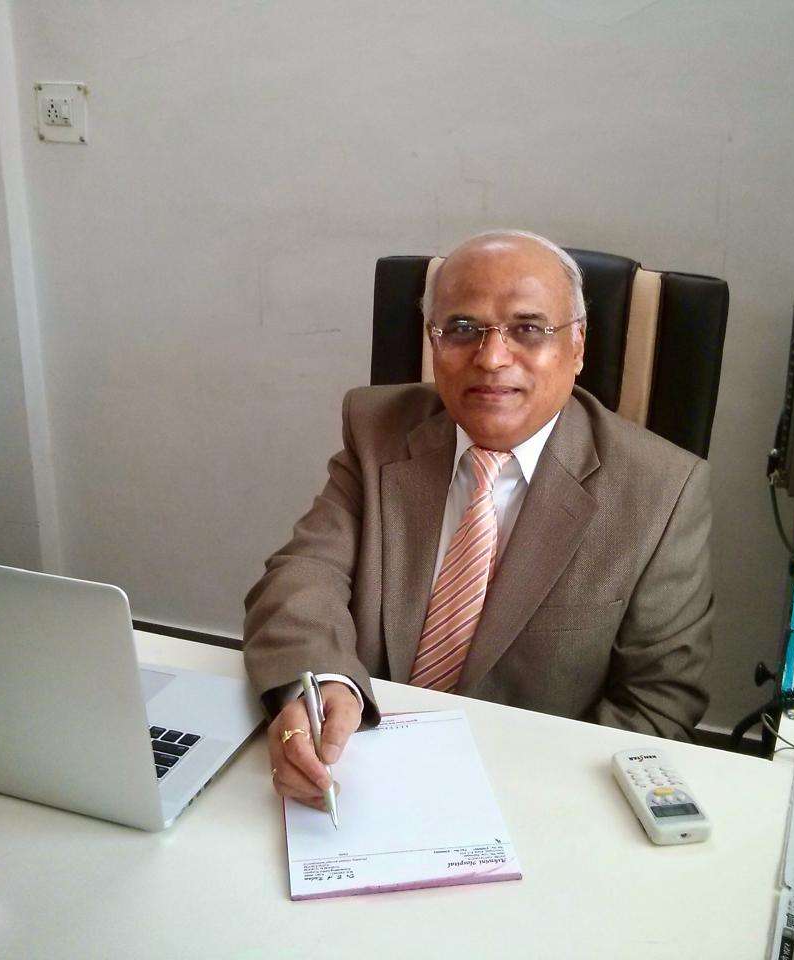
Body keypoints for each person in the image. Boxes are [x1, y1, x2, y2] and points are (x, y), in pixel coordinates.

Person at [244, 230, 712, 811]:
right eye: (462, 329)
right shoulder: (378, 430)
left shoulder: (662, 491)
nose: (491, 359)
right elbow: (302, 577)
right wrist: (321, 687)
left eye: (529, 329)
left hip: (532, 798)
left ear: (578, 346)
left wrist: (518, 803)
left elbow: (660, 701)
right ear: (433, 341)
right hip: (356, 774)